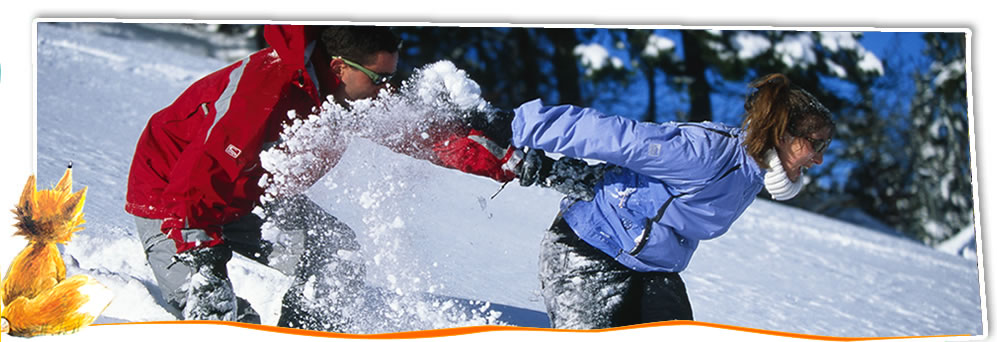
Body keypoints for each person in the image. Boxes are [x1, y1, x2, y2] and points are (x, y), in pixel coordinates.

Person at [125, 24, 560, 331]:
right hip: (174, 205)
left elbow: (429, 139)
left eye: (392, 78)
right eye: (379, 79)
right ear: (339, 69)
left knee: (336, 255)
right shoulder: (266, 87)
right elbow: (203, 173)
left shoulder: (352, 97)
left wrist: (515, 163)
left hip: (251, 200)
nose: (387, 91)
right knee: (214, 316)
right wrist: (203, 258)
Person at [470, 73, 834, 329]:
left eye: (825, 147)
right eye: (815, 144)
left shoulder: (751, 175)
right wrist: (517, 126)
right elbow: (615, 138)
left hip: (653, 271)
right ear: (782, 134)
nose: (818, 158)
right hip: (589, 251)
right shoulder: (706, 153)